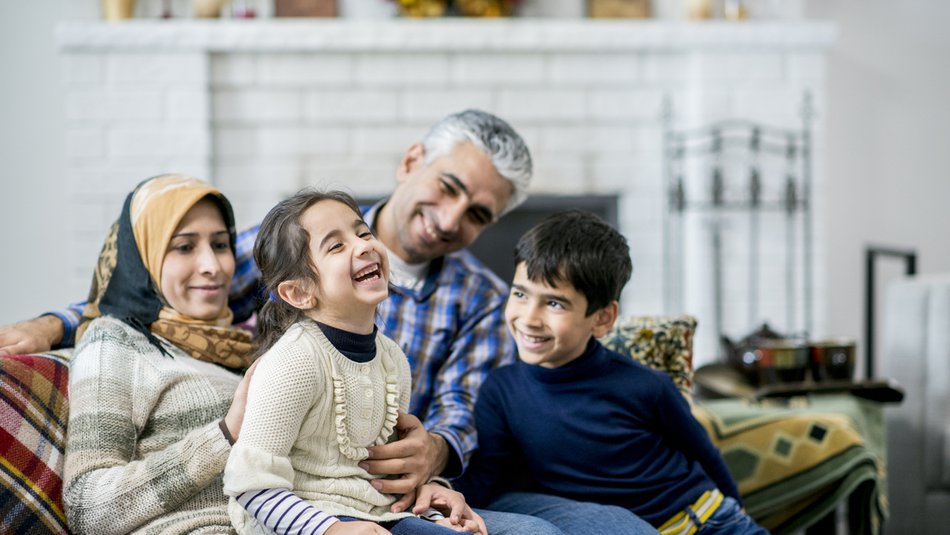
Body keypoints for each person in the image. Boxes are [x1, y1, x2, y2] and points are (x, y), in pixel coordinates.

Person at [4, 110, 625, 534]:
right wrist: (56, 323)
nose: (449, 217)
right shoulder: (291, 262)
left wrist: (435, 452)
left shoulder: (477, 305)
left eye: (477, 213)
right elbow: (148, 287)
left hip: (378, 491)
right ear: (412, 161)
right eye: (448, 186)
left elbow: (460, 413)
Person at [454, 210, 768, 535]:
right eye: (520, 294)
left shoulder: (645, 386)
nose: (529, 318)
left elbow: (704, 453)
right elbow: (489, 476)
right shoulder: (501, 391)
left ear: (603, 319)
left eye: (555, 304)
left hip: (712, 520)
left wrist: (737, 507)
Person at [223, 189, 485, 535]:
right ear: (300, 292)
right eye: (336, 246)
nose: (364, 246)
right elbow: (250, 484)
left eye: (363, 233)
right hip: (303, 519)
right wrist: (330, 530)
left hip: (376, 515)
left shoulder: (392, 359)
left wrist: (435, 511)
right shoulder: (294, 362)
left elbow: (388, 476)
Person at [63, 175, 258, 534]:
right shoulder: (116, 342)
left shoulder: (242, 344)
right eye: (184, 247)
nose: (212, 266)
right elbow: (87, 506)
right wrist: (223, 436)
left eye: (220, 244)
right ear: (145, 258)